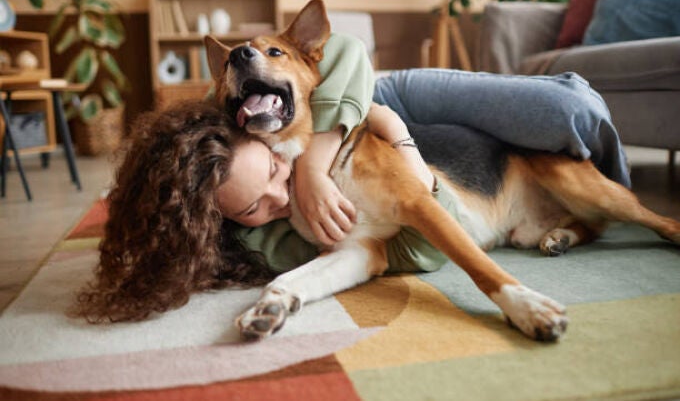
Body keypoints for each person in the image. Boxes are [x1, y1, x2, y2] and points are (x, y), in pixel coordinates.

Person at [73, 34, 629, 323]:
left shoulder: (220, 110)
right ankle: (582, 222)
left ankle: (605, 180)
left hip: (375, 91)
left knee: (571, 115)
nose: (278, 191)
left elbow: (343, 53)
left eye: (272, 172)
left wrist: (314, 163)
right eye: (251, 208)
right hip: (431, 169)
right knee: (566, 135)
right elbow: (374, 253)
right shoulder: (223, 191)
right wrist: (286, 288)